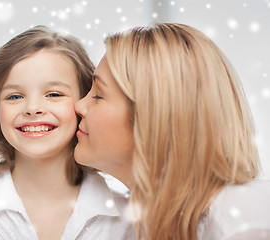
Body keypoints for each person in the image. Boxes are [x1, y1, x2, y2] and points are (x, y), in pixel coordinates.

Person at [74, 22, 270, 240]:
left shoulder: (242, 220)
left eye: (98, 95)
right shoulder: (142, 226)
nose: (79, 106)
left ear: (153, 114)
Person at [0, 26, 134, 240]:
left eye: (53, 94)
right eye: (14, 96)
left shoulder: (129, 217)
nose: (32, 108)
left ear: (83, 103)